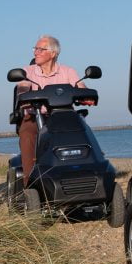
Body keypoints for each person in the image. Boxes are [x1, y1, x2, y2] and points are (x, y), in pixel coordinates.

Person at [15, 35, 85, 181]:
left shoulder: (68, 71)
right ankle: (30, 183)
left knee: (82, 132)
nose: (36, 52)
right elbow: (22, 89)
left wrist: (86, 95)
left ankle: (81, 173)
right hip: (35, 116)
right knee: (27, 133)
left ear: (53, 53)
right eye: (35, 49)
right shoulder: (27, 71)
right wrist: (24, 95)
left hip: (63, 117)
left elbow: (81, 87)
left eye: (41, 49)